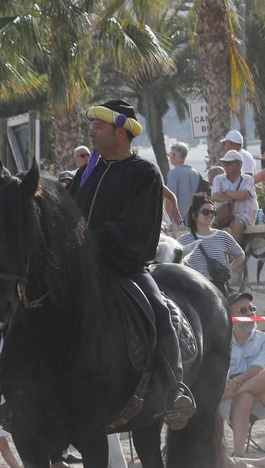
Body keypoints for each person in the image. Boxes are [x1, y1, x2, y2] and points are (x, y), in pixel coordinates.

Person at [65, 99, 195, 428]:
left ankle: (174, 389)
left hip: (124, 268)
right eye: (91, 125)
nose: (91, 132)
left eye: (98, 126)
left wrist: (91, 240)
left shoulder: (144, 174)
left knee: (158, 309)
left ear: (121, 132)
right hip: (78, 270)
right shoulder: (84, 173)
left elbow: (137, 229)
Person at [222, 292, 265, 456]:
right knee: (245, 397)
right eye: (243, 311)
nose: (250, 313)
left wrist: (235, 384)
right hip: (232, 397)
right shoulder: (222, 342)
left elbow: (258, 369)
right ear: (230, 316)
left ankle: (234, 392)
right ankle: (239, 456)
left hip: (260, 395)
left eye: (252, 309)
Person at [178, 199, 246, 287]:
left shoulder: (223, 236)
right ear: (194, 216)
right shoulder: (183, 241)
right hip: (194, 286)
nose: (210, 215)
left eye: (213, 212)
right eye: (206, 212)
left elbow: (240, 255)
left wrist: (228, 270)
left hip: (218, 285)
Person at [209, 148, 257, 247]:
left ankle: (234, 255)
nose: (225, 166)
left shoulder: (248, 179)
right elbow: (215, 196)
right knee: (210, 227)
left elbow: (245, 195)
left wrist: (225, 192)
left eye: (229, 163)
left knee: (238, 225)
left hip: (242, 215)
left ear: (239, 164)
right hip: (223, 215)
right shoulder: (218, 179)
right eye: (224, 163)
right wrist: (236, 195)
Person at [164, 142, 203, 231]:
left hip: (177, 220)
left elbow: (170, 198)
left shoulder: (173, 173)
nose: (169, 157)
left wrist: (166, 220)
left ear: (174, 155)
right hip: (193, 219)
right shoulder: (196, 173)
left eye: (170, 154)